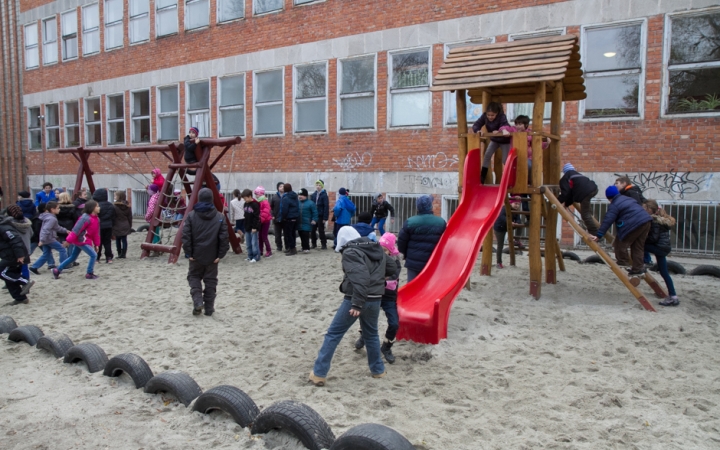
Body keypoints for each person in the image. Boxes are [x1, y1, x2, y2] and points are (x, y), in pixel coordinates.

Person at [308, 226, 396, 387]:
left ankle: (319, 374)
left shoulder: (350, 252)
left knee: (333, 333)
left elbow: (361, 279)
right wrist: (379, 278)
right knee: (371, 334)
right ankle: (378, 370)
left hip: (356, 299)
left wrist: (357, 303)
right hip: (375, 299)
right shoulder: (374, 247)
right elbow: (393, 267)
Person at [354, 232, 403, 364]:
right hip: (374, 295)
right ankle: (363, 336)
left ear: (391, 251)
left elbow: (391, 278)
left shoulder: (395, 263)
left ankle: (386, 346)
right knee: (366, 316)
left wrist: (378, 278)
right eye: (380, 249)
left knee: (394, 323)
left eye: (385, 250)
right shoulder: (373, 259)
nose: (382, 253)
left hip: (388, 297)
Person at [181, 188, 229, 316]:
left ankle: (198, 302)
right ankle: (209, 308)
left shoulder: (191, 215)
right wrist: (220, 254)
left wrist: (189, 252)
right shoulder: (219, 216)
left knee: (194, 277)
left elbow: (186, 236)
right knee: (210, 281)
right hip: (211, 256)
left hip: (197, 255)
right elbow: (224, 238)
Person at [591, 186, 652, 276]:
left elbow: (608, 220)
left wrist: (599, 235)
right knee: (638, 246)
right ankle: (638, 269)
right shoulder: (628, 199)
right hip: (646, 220)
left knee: (620, 243)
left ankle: (623, 261)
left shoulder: (614, 205)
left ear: (609, 198)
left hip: (635, 223)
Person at [398, 195, 447, 282]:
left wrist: (406, 254)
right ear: (431, 207)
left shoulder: (410, 222)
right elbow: (445, 242)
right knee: (430, 286)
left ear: (418, 208)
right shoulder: (441, 222)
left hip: (413, 261)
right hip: (432, 261)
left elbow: (401, 241)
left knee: (412, 286)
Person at [53, 200, 101, 280]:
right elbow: (76, 230)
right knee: (93, 255)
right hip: (81, 240)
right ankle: (89, 273)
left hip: (84, 240)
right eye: (97, 206)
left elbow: (96, 233)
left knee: (73, 257)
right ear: (92, 208)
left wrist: (97, 244)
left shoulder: (96, 219)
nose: (99, 208)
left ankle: (57, 270)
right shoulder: (85, 218)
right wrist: (68, 241)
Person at [643, 200, 679, 307]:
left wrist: (644, 239)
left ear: (650, 210)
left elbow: (653, 238)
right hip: (664, 247)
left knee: (640, 244)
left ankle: (647, 261)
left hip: (660, 247)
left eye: (645, 209)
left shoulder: (655, 222)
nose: (644, 210)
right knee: (664, 273)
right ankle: (673, 296)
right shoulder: (661, 221)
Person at [472, 102, 511, 184]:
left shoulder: (502, 116)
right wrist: (478, 130)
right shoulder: (484, 116)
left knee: (505, 160)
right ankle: (482, 178)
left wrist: (500, 130)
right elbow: (476, 124)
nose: (490, 117)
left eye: (492, 115)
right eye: (488, 115)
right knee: (487, 155)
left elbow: (504, 125)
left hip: (505, 141)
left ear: (496, 114)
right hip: (495, 140)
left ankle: (509, 178)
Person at [0, 205, 32, 305]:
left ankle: (25, 281)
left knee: (2, 272)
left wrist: (20, 255)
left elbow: (15, 240)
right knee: (9, 278)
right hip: (10, 254)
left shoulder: (4, 227)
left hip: (14, 255)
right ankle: (20, 298)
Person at [557, 163, 599, 236]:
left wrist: (558, 201)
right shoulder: (577, 175)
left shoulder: (565, 178)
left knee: (585, 214)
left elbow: (566, 193)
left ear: (564, 171)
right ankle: (593, 226)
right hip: (594, 189)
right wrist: (567, 203)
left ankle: (594, 233)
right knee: (587, 210)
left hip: (584, 192)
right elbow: (571, 194)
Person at [30, 201, 68, 274]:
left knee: (46, 254)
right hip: (49, 239)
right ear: (52, 209)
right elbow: (46, 229)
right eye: (58, 208)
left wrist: (65, 231)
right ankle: (62, 266)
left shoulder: (48, 217)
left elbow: (56, 227)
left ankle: (34, 267)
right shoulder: (51, 218)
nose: (59, 209)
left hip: (46, 238)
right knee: (62, 249)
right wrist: (42, 240)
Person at [493, 197, 522, 269]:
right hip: (500, 228)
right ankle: (498, 262)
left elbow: (518, 219)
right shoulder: (505, 208)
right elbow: (501, 217)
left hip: (508, 226)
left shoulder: (516, 211)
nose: (517, 206)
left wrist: (517, 223)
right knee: (500, 245)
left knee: (520, 226)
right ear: (511, 203)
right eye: (515, 203)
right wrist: (510, 222)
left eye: (518, 204)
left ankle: (517, 240)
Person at [92, 188, 116, 263]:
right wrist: (112, 225)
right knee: (107, 242)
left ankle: (97, 258)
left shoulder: (96, 206)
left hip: (98, 227)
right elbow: (114, 216)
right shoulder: (110, 205)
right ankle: (109, 257)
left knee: (98, 242)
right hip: (108, 226)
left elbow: (94, 216)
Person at [278, 183, 300, 256]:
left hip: (289, 218)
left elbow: (285, 209)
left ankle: (292, 248)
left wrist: (283, 217)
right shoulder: (295, 196)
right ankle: (293, 248)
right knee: (293, 233)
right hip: (295, 217)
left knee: (288, 234)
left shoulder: (286, 198)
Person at [241, 189, 261, 263]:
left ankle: (256, 256)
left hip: (253, 227)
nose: (245, 200)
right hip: (247, 226)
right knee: (248, 243)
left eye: (245, 198)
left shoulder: (255, 205)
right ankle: (250, 255)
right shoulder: (245, 204)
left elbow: (256, 217)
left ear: (250, 196)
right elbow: (245, 215)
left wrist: (255, 227)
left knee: (254, 243)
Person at [113, 191, 133, 259]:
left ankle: (119, 253)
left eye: (115, 196)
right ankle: (123, 254)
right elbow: (130, 217)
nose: (114, 197)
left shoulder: (114, 206)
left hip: (117, 224)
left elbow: (113, 216)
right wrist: (130, 225)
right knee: (124, 240)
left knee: (118, 240)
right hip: (125, 224)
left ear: (119, 197)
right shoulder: (127, 206)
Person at [297, 188, 318, 254]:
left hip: (307, 222)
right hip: (299, 222)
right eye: (299, 195)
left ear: (305, 196)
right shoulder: (297, 203)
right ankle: (303, 247)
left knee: (305, 235)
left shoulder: (311, 203)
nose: (300, 196)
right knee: (301, 235)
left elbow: (315, 212)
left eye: (302, 195)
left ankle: (306, 248)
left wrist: (314, 220)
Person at [310, 180, 329, 250]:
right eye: (317, 185)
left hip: (320, 215)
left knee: (321, 230)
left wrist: (325, 217)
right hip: (314, 215)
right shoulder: (314, 194)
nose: (318, 187)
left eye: (319, 185)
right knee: (312, 230)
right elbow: (311, 205)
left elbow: (326, 206)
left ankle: (323, 244)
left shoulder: (324, 195)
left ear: (322, 186)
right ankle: (313, 243)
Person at [255, 186, 272, 258]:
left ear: (260, 194)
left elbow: (265, 212)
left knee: (264, 236)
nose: (256, 195)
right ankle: (260, 250)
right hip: (261, 221)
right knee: (260, 236)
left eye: (256, 194)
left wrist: (260, 219)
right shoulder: (259, 201)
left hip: (265, 221)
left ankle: (269, 250)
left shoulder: (264, 202)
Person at [270, 182, 285, 252]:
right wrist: (272, 215)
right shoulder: (274, 197)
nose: (282, 187)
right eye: (280, 186)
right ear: (278, 188)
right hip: (276, 218)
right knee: (277, 234)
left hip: (285, 218)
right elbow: (271, 207)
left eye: (283, 186)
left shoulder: (287, 196)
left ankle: (287, 246)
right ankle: (279, 246)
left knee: (286, 234)